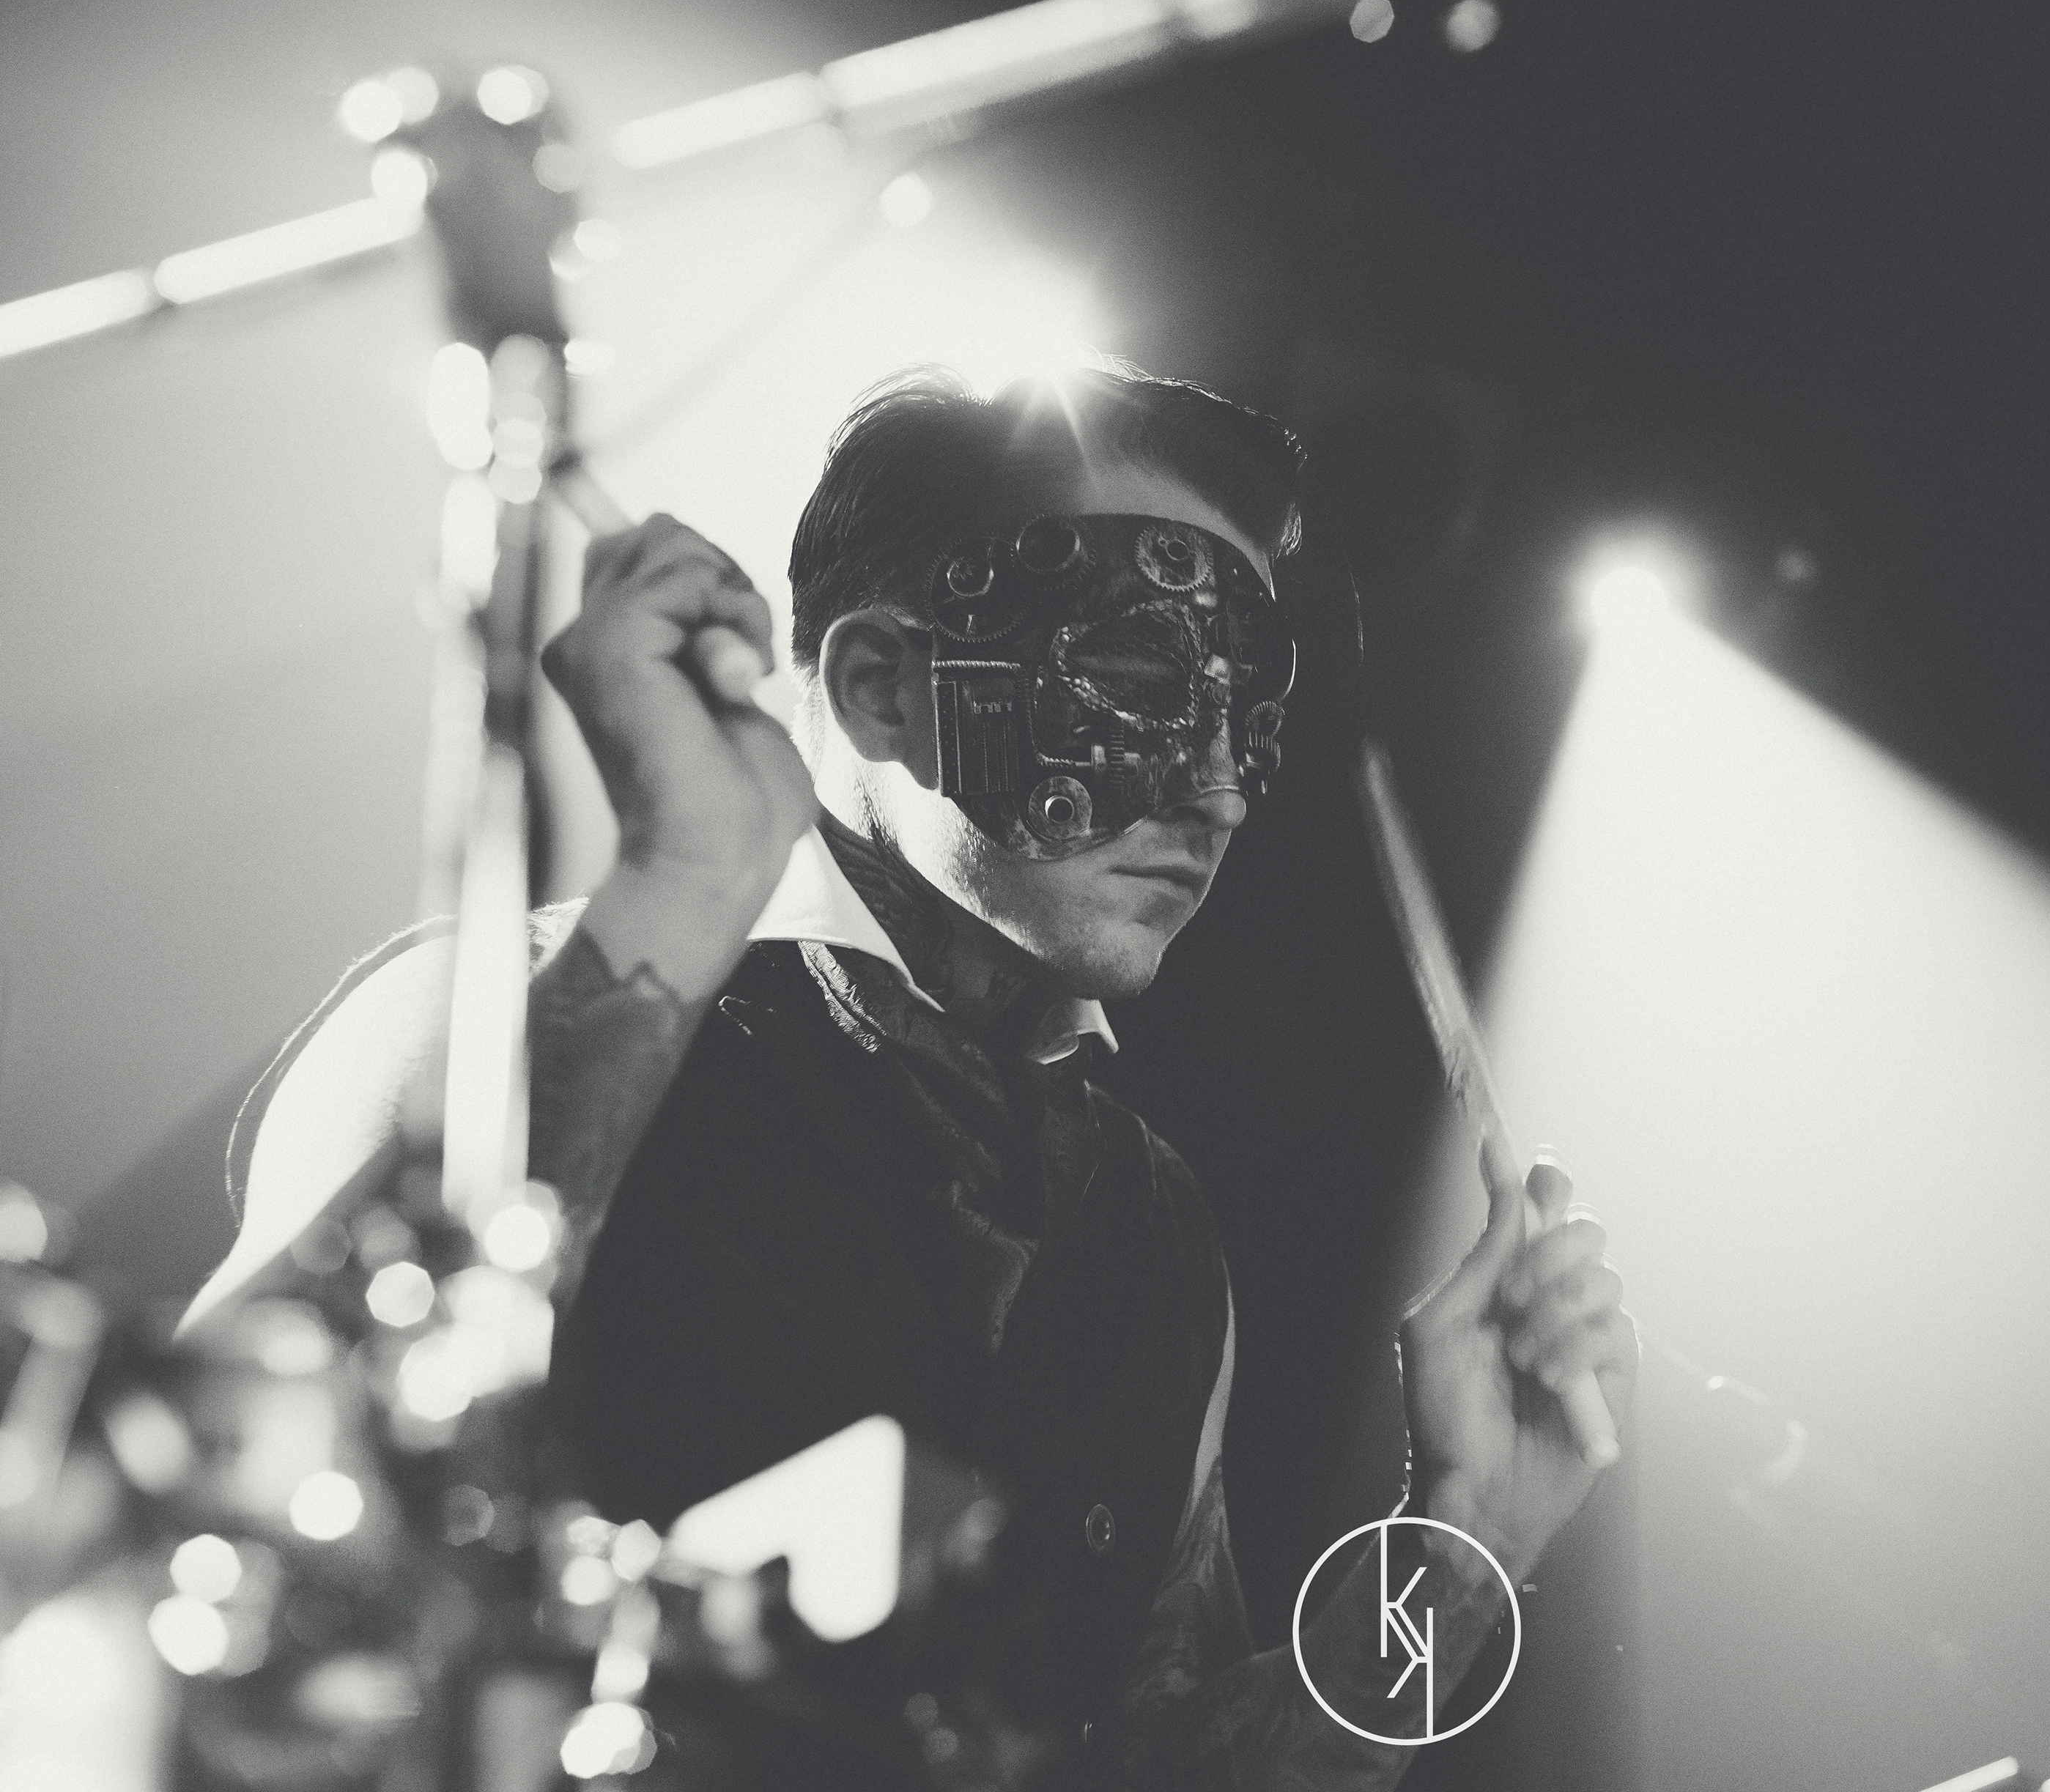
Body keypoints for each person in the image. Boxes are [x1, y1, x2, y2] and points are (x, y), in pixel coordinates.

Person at [191, 363, 1638, 1788]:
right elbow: (202, 1532)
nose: (1214, 789)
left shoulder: (1153, 1232)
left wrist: (1461, 1548)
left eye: (1244, 714)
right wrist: (681, 890)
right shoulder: (513, 1018)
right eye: (1139, 682)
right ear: (884, 686)